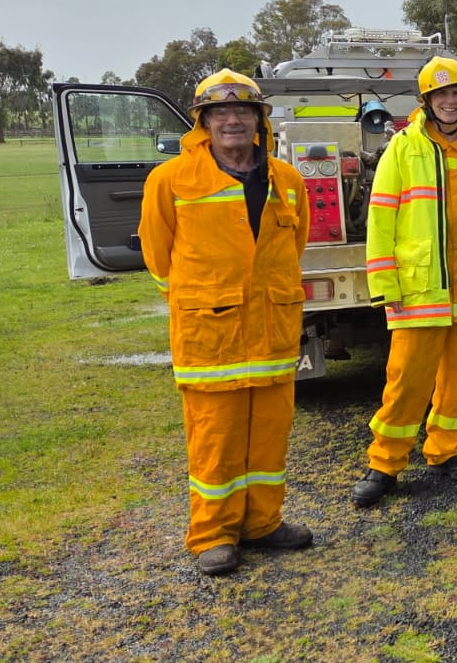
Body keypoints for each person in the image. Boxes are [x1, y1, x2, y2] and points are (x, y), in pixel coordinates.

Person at [138, 68, 313, 576]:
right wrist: (199, 299)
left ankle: (263, 523)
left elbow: (291, 247)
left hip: (273, 332)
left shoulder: (288, 180)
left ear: (259, 121)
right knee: (215, 439)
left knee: (269, 436)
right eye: (220, 112)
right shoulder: (170, 180)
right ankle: (212, 534)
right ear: (203, 122)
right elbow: (156, 251)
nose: (232, 120)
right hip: (209, 339)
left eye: (242, 111)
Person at [352, 56, 457, 507]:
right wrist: (385, 283)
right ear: (426, 101)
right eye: (441, 94)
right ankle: (384, 463)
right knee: (407, 378)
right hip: (420, 287)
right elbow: (381, 218)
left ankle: (448, 450)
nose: (450, 101)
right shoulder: (404, 148)